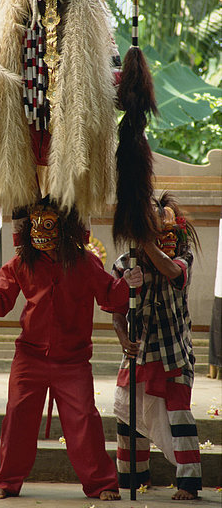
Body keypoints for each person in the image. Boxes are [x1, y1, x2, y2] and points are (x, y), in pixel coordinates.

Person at [0, 198, 142, 501]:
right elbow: (1, 301)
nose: (40, 232)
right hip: (30, 356)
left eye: (48, 225)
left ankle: (101, 483)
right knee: (17, 415)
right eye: (36, 225)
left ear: (64, 228)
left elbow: (110, 298)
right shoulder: (20, 263)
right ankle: (5, 480)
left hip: (73, 359)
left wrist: (128, 283)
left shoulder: (86, 262)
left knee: (84, 418)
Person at [108, 192, 202, 501]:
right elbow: (116, 310)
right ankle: (133, 477)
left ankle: (188, 483)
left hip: (174, 351)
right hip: (138, 352)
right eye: (156, 231)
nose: (164, 238)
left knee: (179, 417)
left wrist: (145, 240)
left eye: (168, 233)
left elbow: (174, 273)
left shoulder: (182, 257)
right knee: (128, 416)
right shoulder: (125, 263)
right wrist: (124, 341)